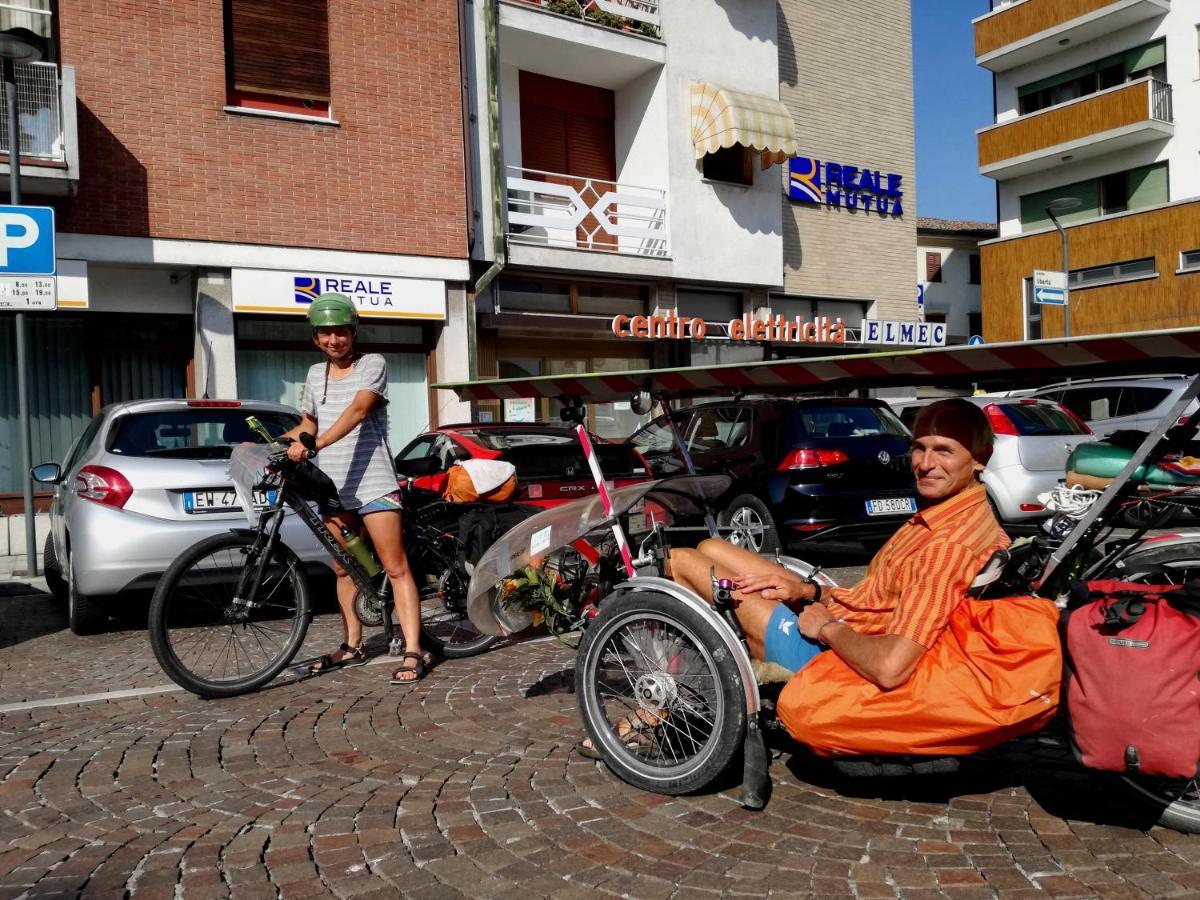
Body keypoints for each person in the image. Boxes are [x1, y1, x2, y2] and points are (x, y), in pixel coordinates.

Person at [669, 398, 1009, 690]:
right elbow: (877, 600)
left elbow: (890, 667)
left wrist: (827, 628)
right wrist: (807, 593)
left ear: (981, 457)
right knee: (712, 548)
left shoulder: (948, 546)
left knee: (680, 561)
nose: (925, 464)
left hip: (826, 652)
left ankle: (672, 697)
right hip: (841, 620)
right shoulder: (955, 515)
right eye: (919, 448)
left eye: (944, 451)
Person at [281, 293, 429, 684]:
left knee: (395, 567)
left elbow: (359, 410)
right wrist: (274, 444)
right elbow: (308, 424)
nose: (334, 340)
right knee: (344, 568)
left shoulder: (373, 364)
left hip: (374, 481)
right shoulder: (315, 375)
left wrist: (316, 444)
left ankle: (414, 650)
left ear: (353, 333)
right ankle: (352, 644)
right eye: (326, 333)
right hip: (332, 485)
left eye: (341, 332)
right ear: (315, 338)